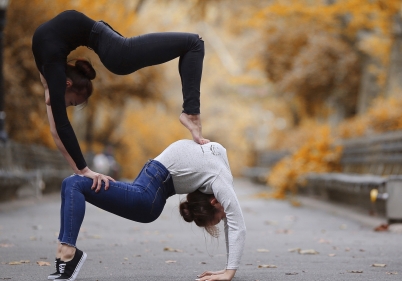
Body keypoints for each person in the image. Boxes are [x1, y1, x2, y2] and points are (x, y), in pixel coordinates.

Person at [32, 10, 209, 189]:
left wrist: (82, 170)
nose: (65, 106)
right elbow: (56, 130)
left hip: (116, 51)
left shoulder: (52, 68)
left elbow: (61, 126)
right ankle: (191, 113)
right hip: (106, 39)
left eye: (71, 103)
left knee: (194, 43)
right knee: (193, 44)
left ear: (68, 83)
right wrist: (82, 170)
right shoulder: (49, 68)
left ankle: (191, 114)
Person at [47, 140, 246, 281]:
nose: (225, 218)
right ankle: (67, 255)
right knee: (71, 184)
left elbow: (232, 224)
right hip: (149, 192)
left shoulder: (218, 157)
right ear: (214, 202)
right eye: (220, 218)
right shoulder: (221, 181)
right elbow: (237, 225)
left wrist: (228, 269)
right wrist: (230, 272)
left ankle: (66, 254)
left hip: (152, 184)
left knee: (73, 184)